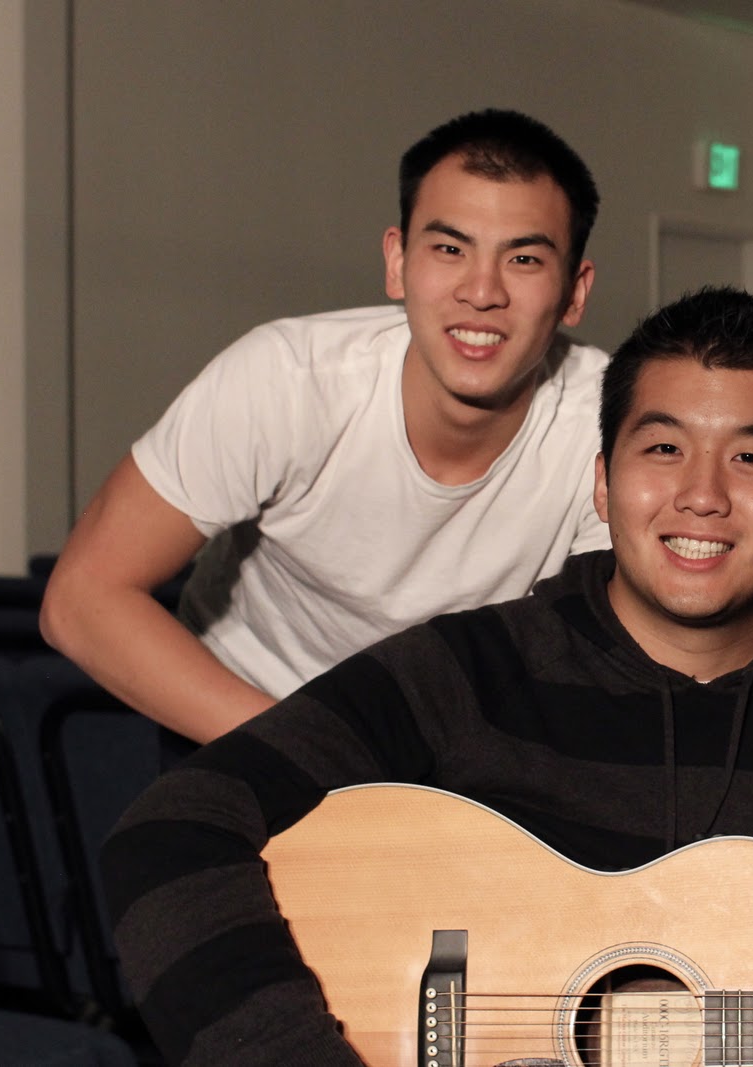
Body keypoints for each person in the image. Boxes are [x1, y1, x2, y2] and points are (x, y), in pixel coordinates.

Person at [99, 287, 753, 1066]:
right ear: (603, 483)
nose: (702, 494)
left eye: (752, 457)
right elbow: (170, 834)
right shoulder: (469, 670)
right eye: (663, 448)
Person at [39, 107, 608, 747]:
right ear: (398, 262)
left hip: (459, 754)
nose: (481, 292)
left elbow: (613, 674)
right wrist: (319, 757)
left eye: (524, 259)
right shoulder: (288, 381)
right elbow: (82, 599)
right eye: (449, 249)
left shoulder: (613, 428)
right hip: (245, 719)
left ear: (574, 292)